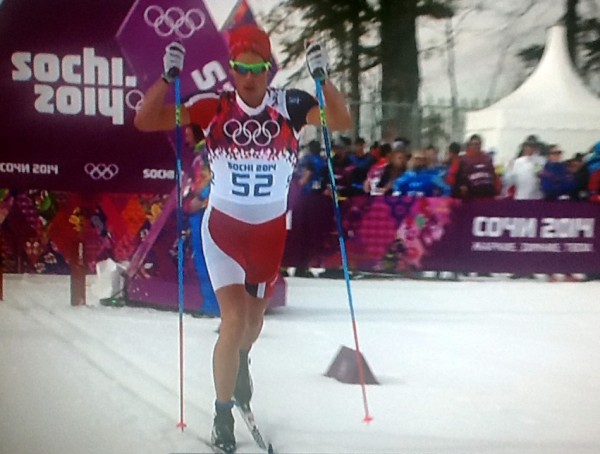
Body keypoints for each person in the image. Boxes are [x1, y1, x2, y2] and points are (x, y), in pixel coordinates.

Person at [135, 25, 352, 452]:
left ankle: (241, 363)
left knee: (252, 325)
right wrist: (167, 77)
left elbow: (341, 121)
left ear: (268, 69)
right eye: (240, 68)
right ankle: (221, 415)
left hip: (268, 236)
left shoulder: (289, 104)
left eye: (256, 68)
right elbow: (145, 119)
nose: (248, 77)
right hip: (224, 231)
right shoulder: (211, 107)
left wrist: (322, 78)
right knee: (233, 321)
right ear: (231, 69)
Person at [182, 124, 220, 318]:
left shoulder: (207, 152)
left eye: (188, 134)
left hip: (206, 210)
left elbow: (217, 178)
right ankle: (210, 303)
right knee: (202, 257)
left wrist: (202, 198)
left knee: (207, 258)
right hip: (200, 209)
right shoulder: (199, 153)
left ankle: (214, 305)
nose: (186, 138)